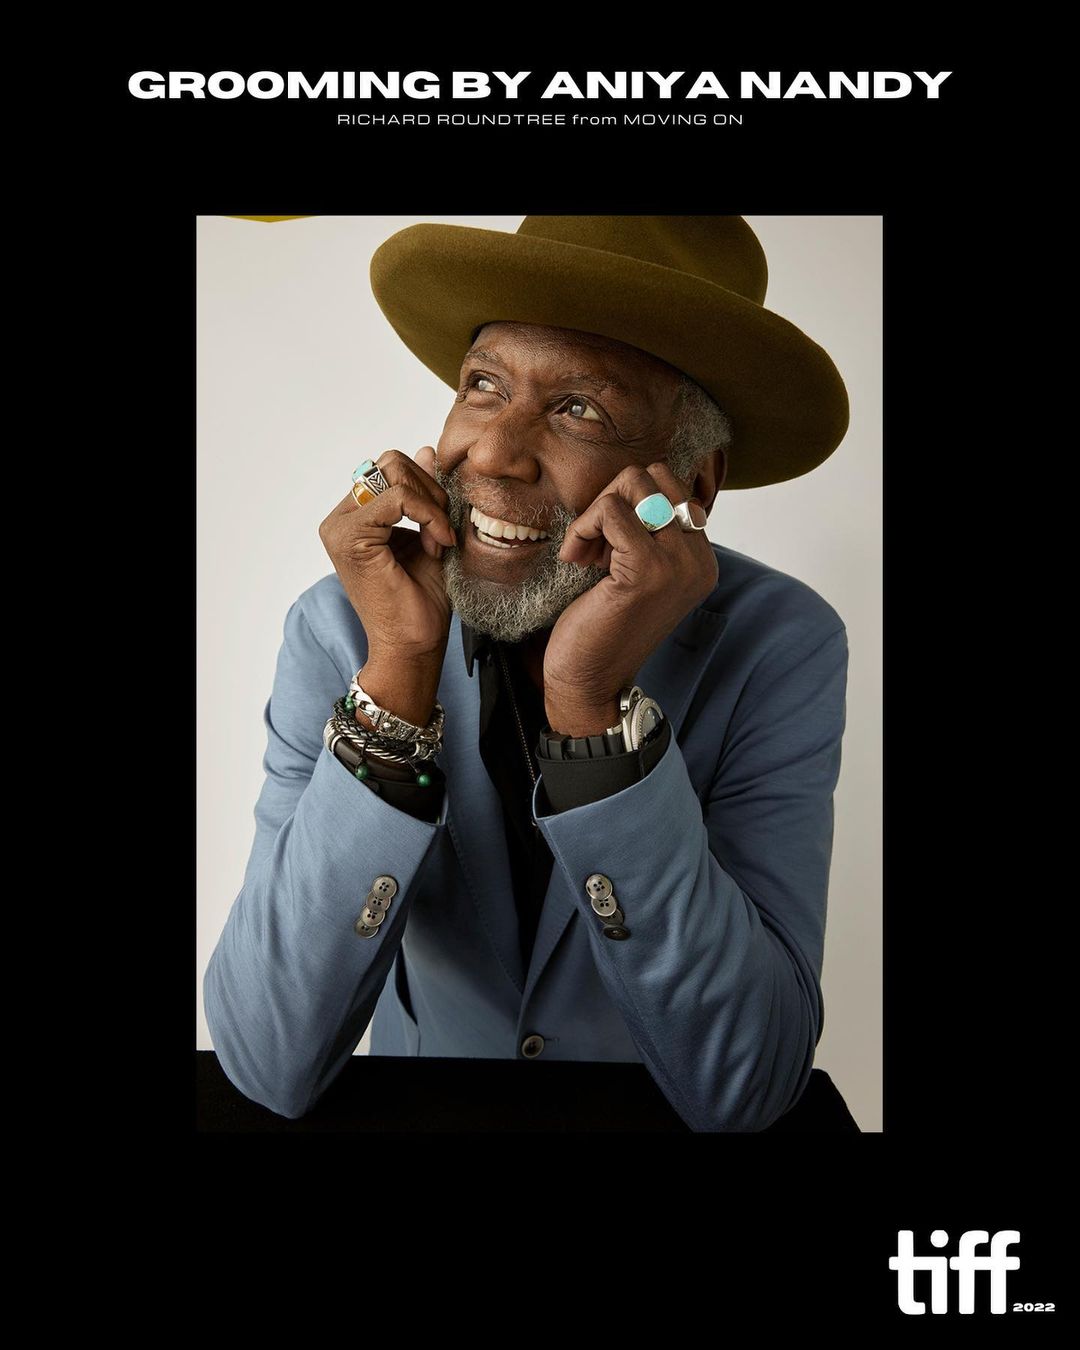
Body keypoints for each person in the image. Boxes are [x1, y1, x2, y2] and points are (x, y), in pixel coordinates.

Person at [202, 215, 852, 1130]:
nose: (494, 454)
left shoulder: (780, 641)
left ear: (695, 483)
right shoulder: (339, 624)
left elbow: (748, 1085)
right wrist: (398, 675)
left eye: (579, 408)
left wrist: (592, 715)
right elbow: (266, 1059)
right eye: (484, 386)